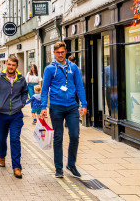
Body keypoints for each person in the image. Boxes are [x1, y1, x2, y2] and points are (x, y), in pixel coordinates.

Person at [40, 41, 87, 179]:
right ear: (54, 53)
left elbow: (80, 87)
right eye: (58, 52)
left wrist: (83, 104)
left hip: (72, 106)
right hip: (56, 107)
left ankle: (71, 164)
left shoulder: (74, 68)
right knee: (58, 137)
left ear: (66, 52)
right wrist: (43, 106)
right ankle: (59, 168)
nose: (60, 55)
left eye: (62, 52)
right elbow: (44, 89)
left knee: (74, 135)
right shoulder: (49, 69)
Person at [0, 55, 28, 179]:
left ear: (16, 66)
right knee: (1, 138)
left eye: (13, 65)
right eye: (9, 64)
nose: (10, 67)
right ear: (6, 64)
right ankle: (2, 156)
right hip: (1, 114)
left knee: (15, 139)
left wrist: (22, 103)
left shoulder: (21, 79)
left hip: (16, 114)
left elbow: (25, 92)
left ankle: (16, 166)